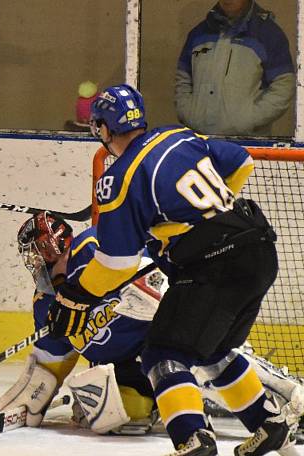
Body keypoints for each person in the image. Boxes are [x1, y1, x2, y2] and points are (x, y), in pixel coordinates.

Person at [49, 83, 302, 455]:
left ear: (102, 128)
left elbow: (118, 264)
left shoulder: (119, 179)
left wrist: (74, 295)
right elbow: (241, 162)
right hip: (259, 249)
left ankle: (192, 439)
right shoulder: (178, 135)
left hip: (214, 265)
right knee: (213, 349)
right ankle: (269, 423)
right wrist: (202, 216)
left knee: (162, 354)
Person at [0, 212, 304, 440]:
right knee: (106, 415)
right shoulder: (46, 303)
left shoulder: (93, 249)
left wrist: (138, 295)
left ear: (54, 246)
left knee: (206, 366)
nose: (35, 264)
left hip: (167, 333)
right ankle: (175, 409)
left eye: (37, 254)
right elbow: (47, 367)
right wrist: (21, 408)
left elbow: (157, 279)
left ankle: (291, 401)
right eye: (31, 258)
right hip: (126, 367)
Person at [175, 0, 294, 136]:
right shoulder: (198, 34)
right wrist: (190, 115)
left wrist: (248, 119)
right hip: (200, 141)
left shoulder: (269, 34)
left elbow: (283, 86)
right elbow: (183, 80)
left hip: (247, 145)